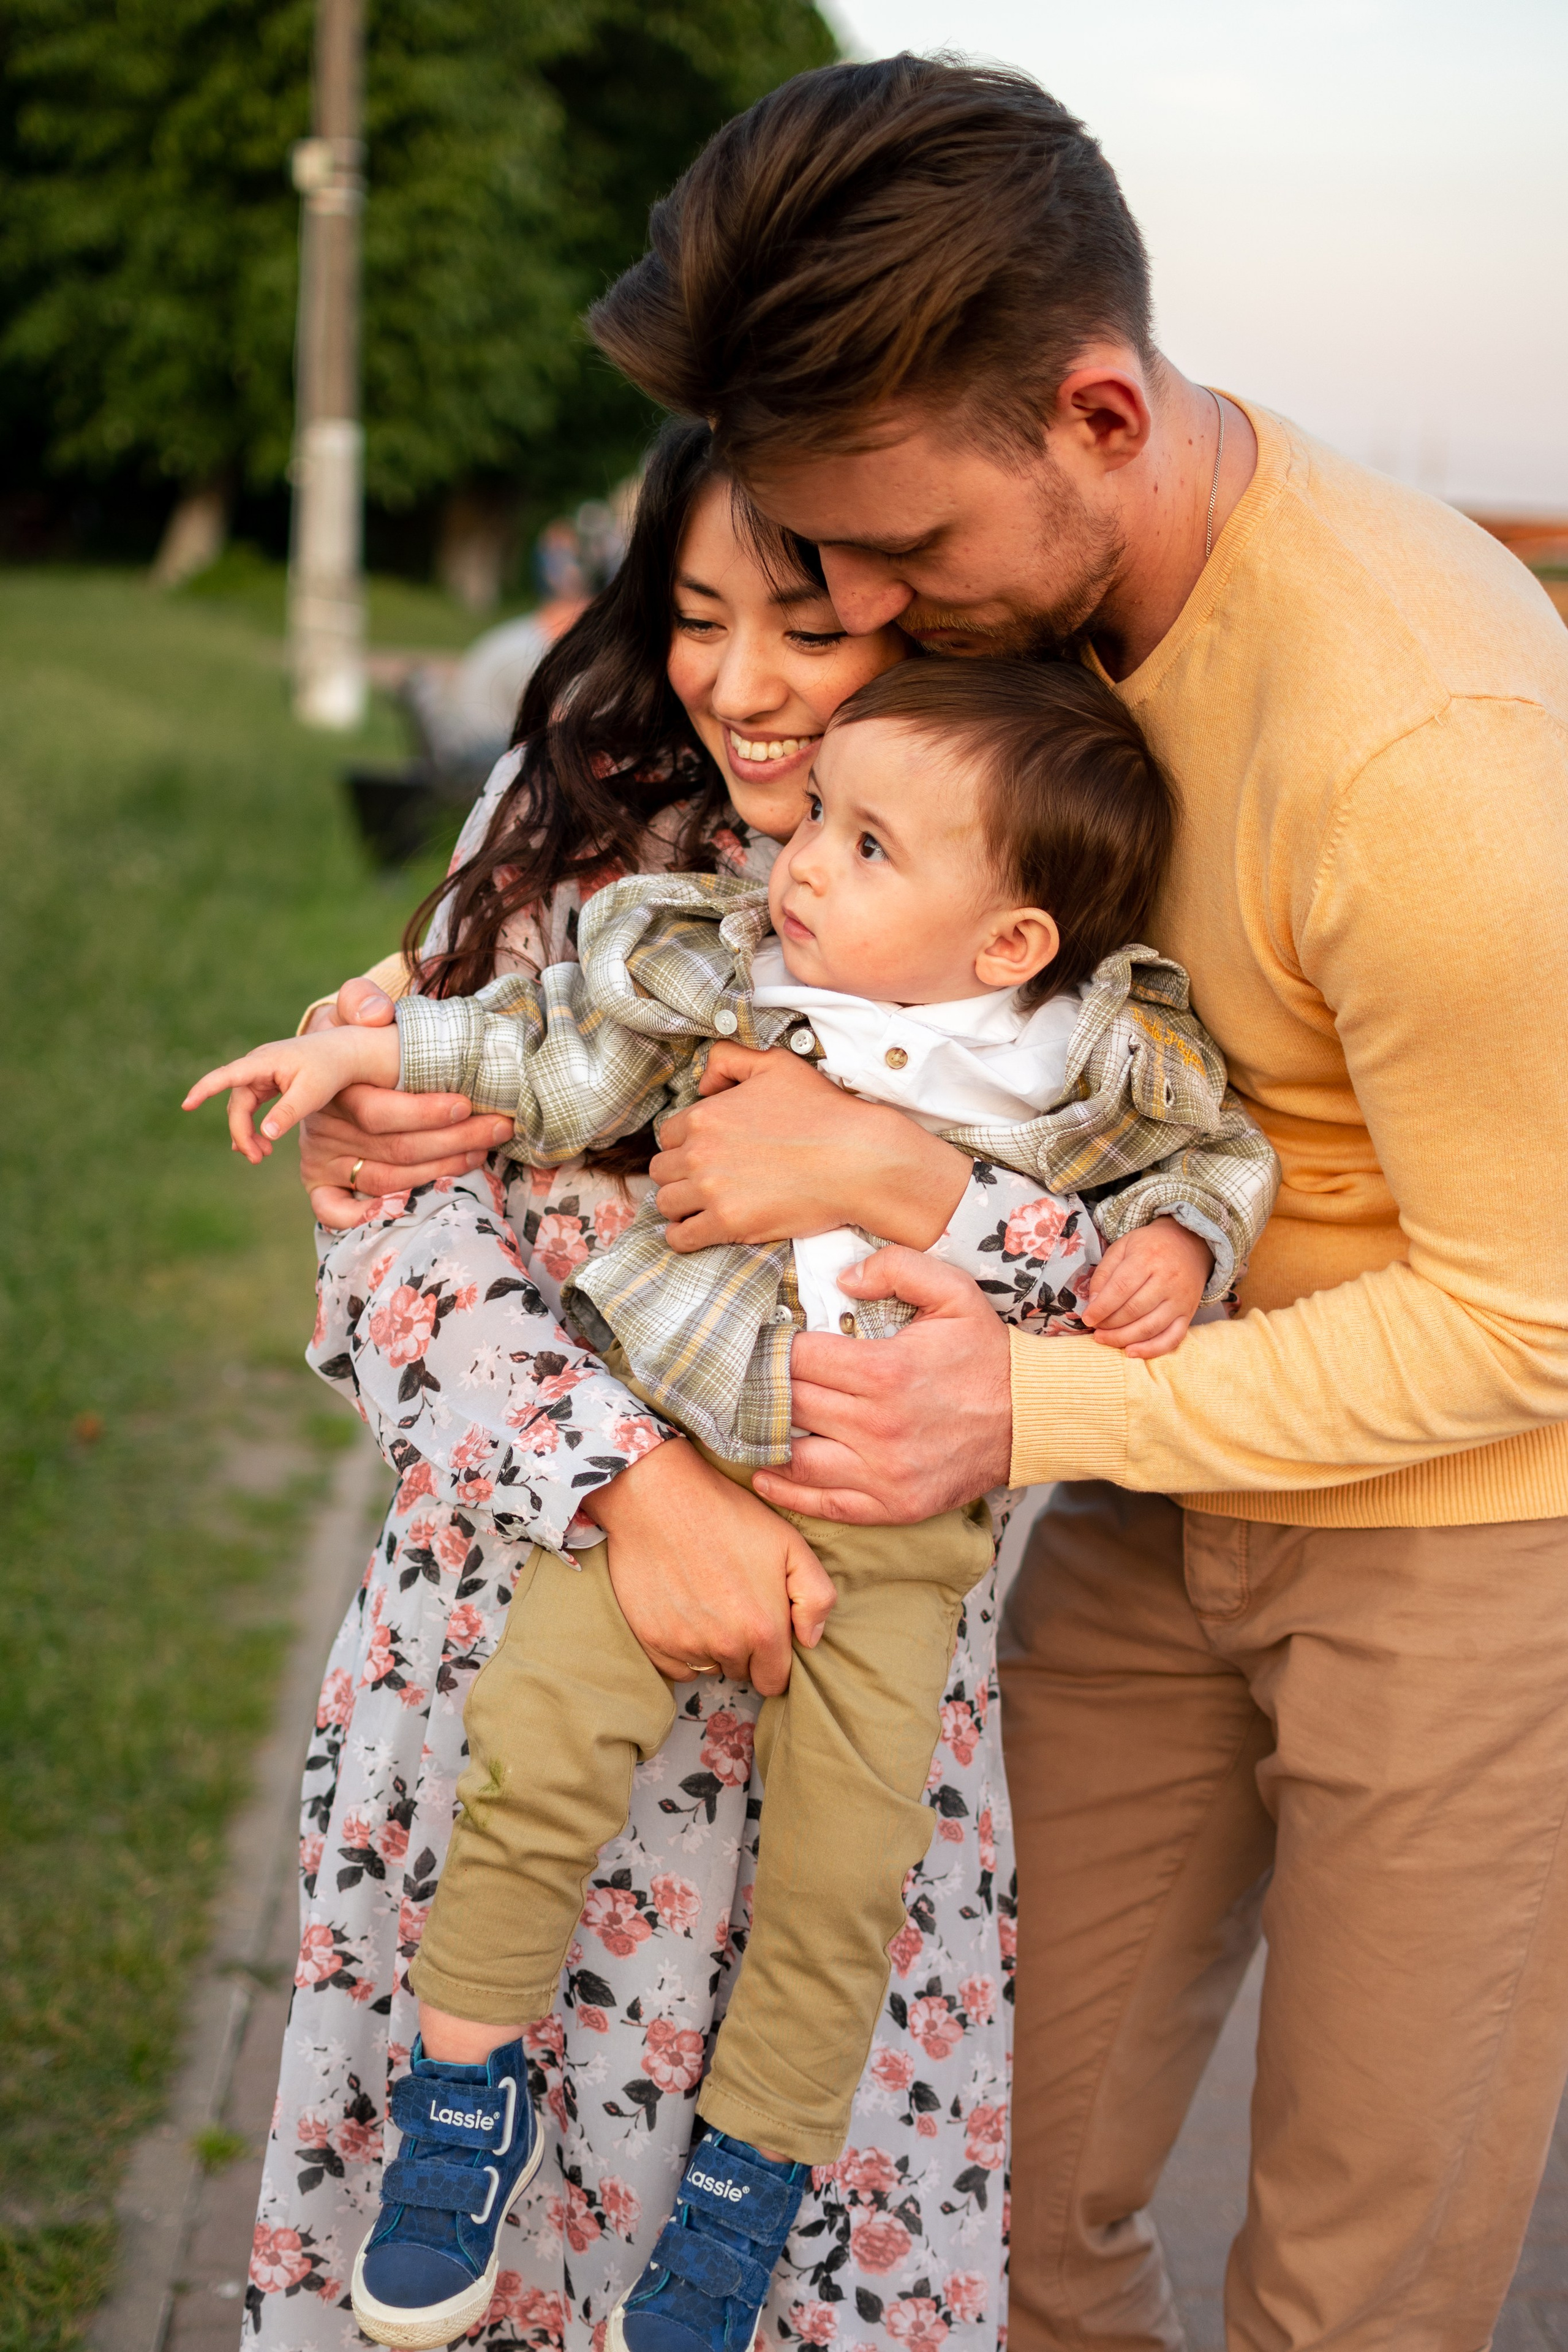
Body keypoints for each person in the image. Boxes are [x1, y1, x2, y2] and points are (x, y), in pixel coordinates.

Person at [543, 50, 1567, 2352]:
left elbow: (1538, 1316)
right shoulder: (1012, 611)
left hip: (1474, 1543)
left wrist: (1022, 1404)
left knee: (1356, 2290)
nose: (869, 610)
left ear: (1100, 415)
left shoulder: (1438, 747)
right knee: (984, 2192)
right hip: (1129, 1488)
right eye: (828, 555)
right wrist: (425, 1032)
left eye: (901, 553)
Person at [203, 655, 1276, 2352]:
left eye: (864, 845)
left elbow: (1214, 1173)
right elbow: (542, 1060)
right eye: (823, 824)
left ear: (1008, 941)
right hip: (686, 1452)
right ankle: (458, 2106)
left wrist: (1169, 1240)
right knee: (534, 1742)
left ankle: (744, 2199)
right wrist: (369, 1044)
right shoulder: (726, 973)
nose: (806, 863)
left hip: (900, 1538)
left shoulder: (1098, 1054)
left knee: (850, 1875)